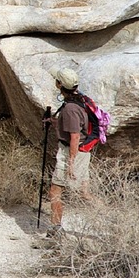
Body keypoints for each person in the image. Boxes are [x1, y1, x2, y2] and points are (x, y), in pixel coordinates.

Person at [46, 67, 92, 232]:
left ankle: (55, 230)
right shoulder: (79, 100)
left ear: (59, 84)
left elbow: (75, 136)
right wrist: (54, 122)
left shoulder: (70, 108)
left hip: (72, 153)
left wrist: (71, 162)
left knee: (55, 191)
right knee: (84, 193)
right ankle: (114, 220)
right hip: (82, 152)